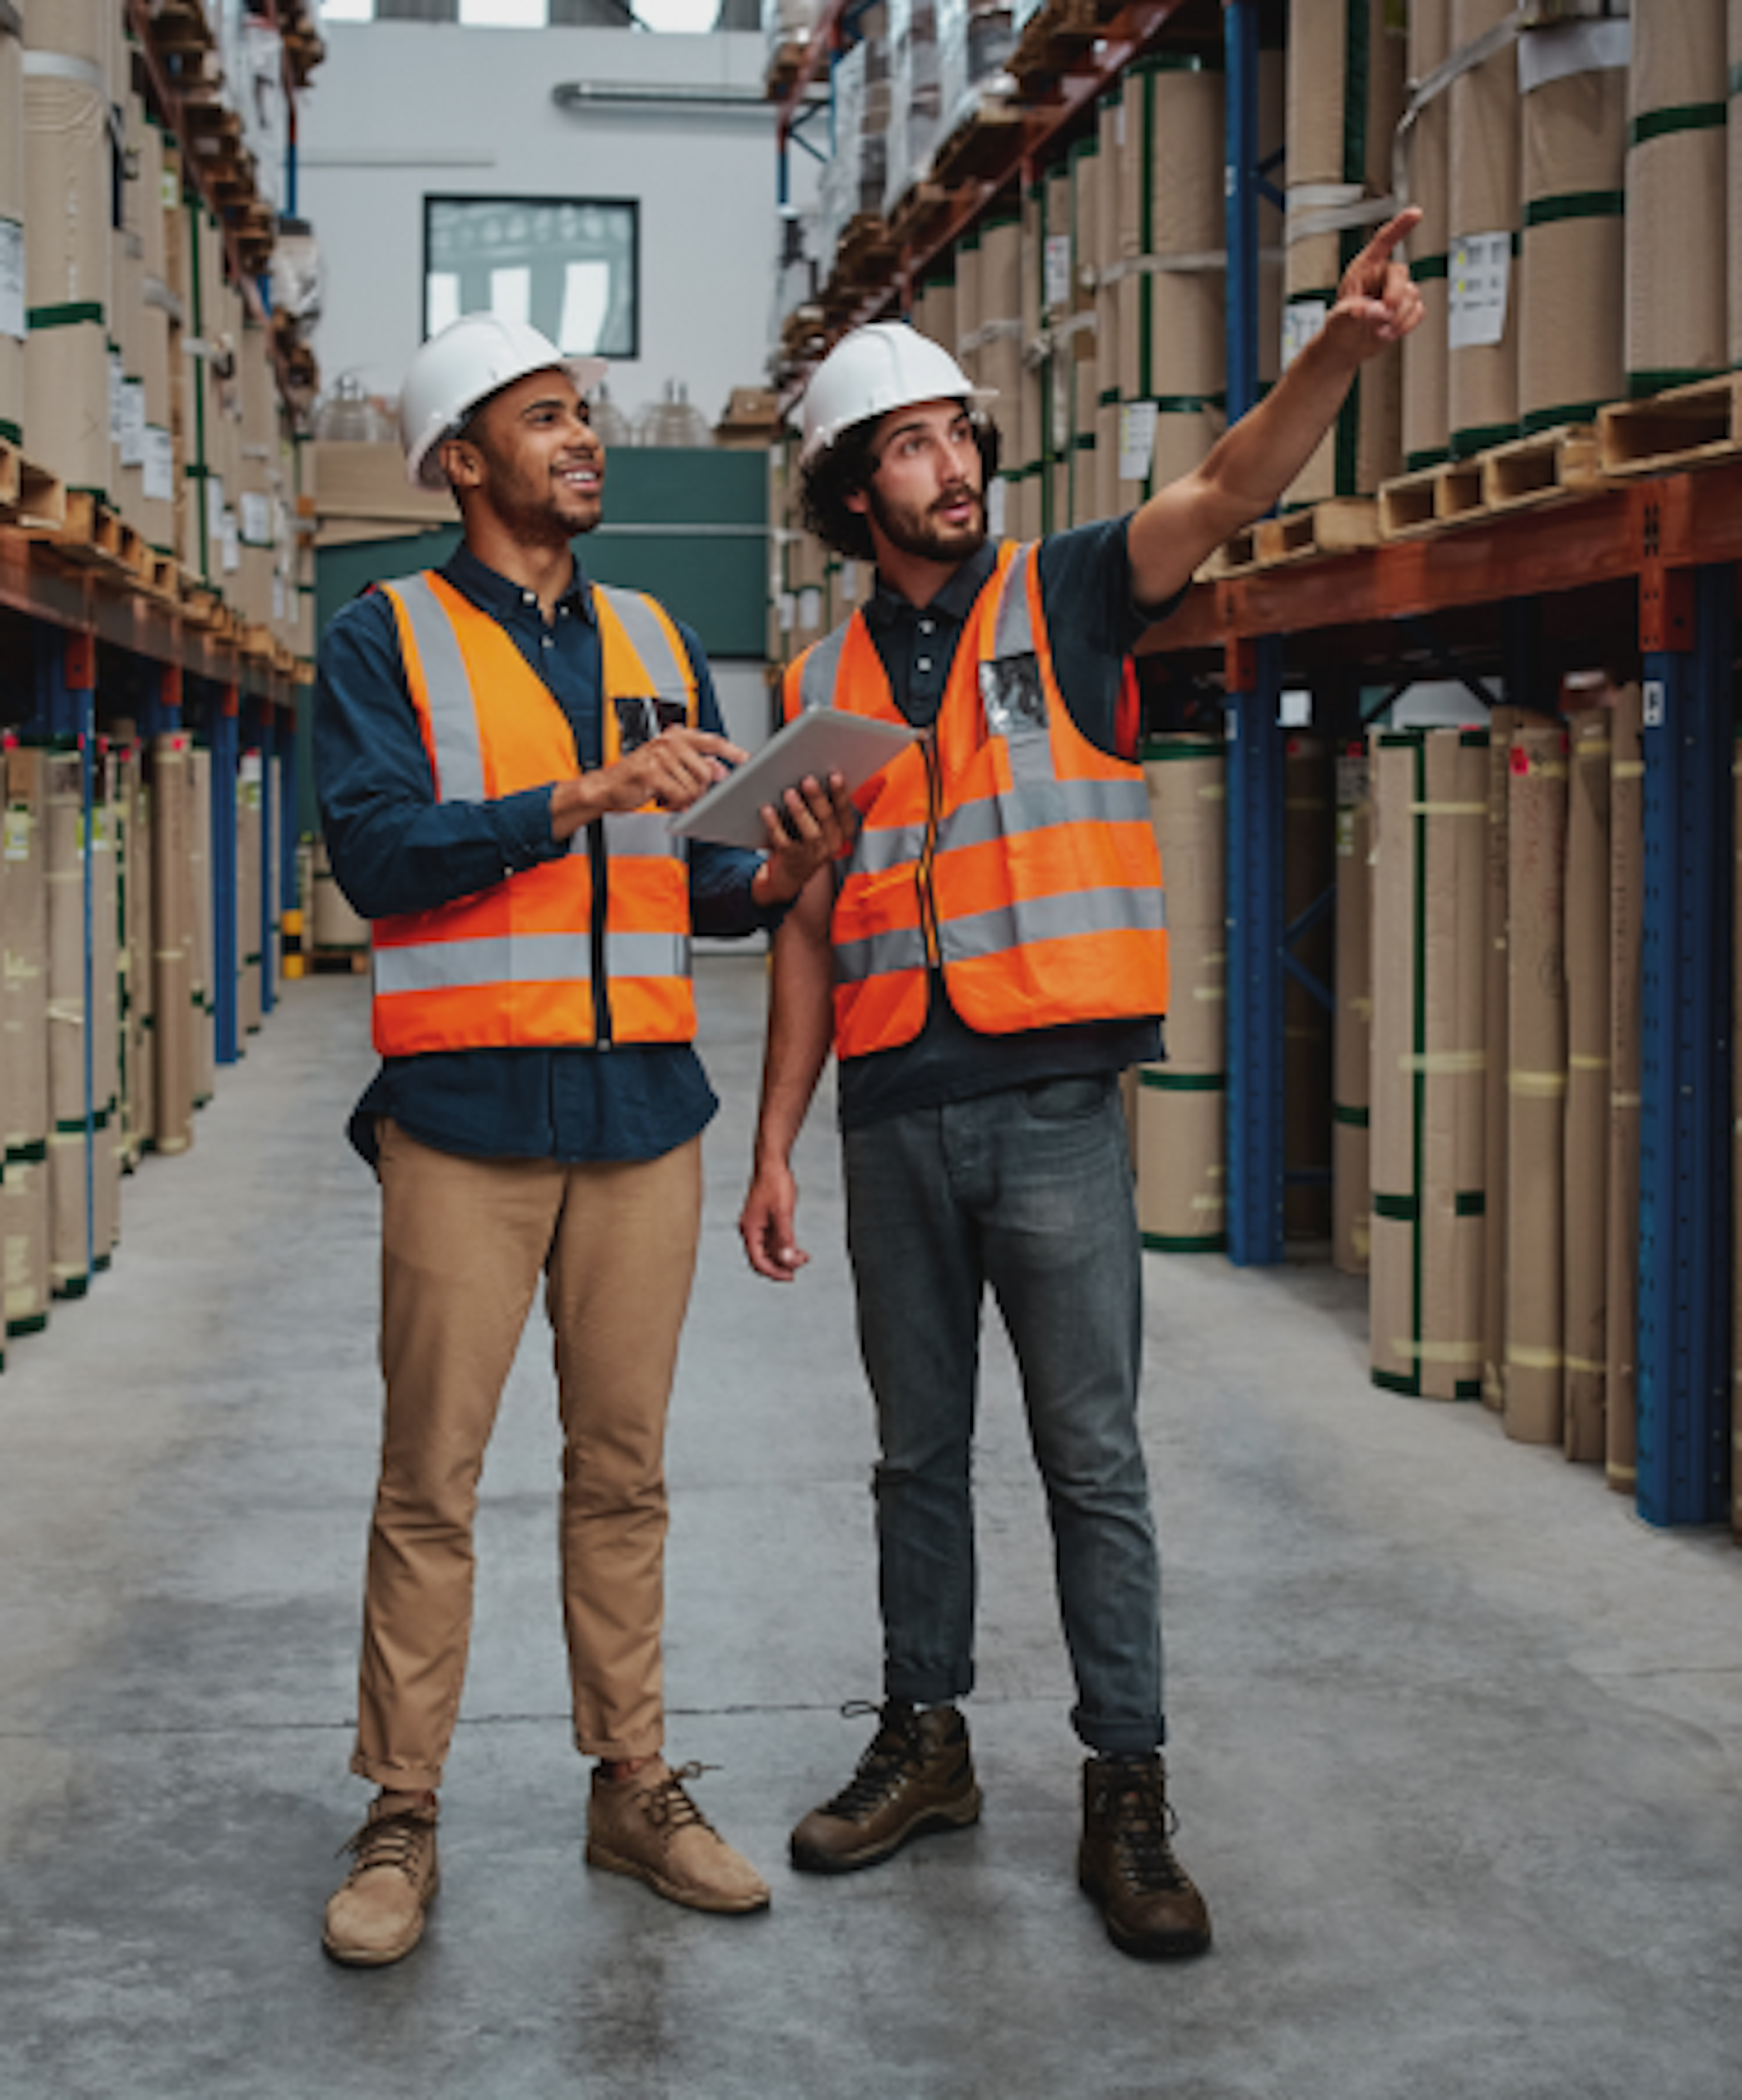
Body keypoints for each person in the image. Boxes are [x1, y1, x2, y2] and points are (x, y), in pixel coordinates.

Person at [739, 213, 1424, 1960]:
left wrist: (1333, 356)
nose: (955, 462)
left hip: (1051, 1109)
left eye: (963, 432)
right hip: (890, 1115)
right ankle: (928, 1740)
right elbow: (807, 932)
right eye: (914, 443)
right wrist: (773, 1150)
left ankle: (1128, 1787)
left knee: (1092, 1459)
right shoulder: (816, 687)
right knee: (916, 1457)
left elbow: (1224, 489)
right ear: (850, 490)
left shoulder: (1075, 590)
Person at [314, 312, 852, 1967]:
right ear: (461, 459)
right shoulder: (383, 634)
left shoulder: (652, 632)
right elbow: (381, 855)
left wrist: (776, 866)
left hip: (641, 1122)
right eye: (546, 419)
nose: (583, 440)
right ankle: (402, 1807)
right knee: (433, 1484)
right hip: (465, 1120)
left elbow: (690, 877)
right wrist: (576, 796)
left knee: (624, 1476)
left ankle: (632, 1782)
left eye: (589, 414)